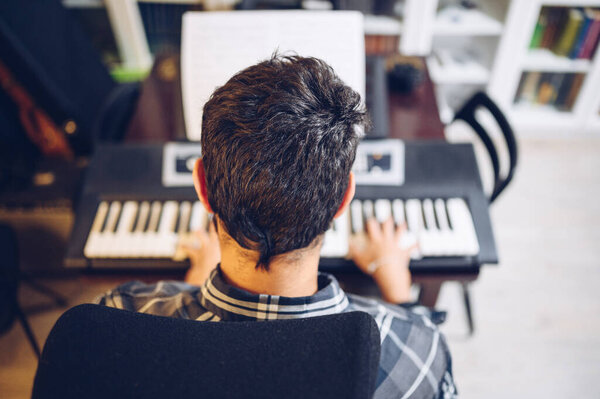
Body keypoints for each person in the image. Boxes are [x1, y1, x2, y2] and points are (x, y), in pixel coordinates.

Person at [96, 55, 457, 398]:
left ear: (203, 188)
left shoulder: (116, 321)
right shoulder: (420, 353)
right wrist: (397, 289)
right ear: (343, 198)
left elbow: (172, 346)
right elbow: (417, 349)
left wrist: (194, 282)